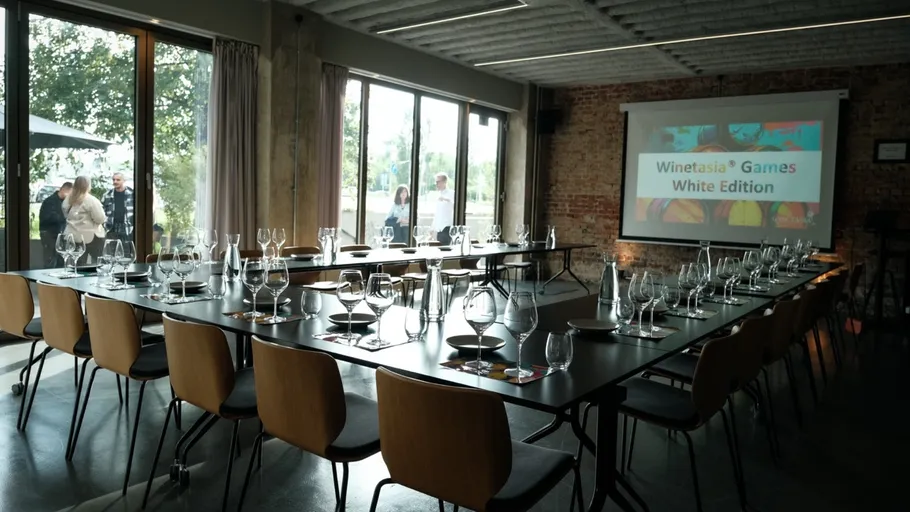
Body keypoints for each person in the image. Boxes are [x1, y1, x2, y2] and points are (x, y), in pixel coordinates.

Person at [63, 176, 107, 263]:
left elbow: (66, 215)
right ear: (88, 186)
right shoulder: (91, 200)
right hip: (91, 237)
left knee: (78, 264)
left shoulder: (68, 199)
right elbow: (100, 218)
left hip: (72, 236)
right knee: (101, 262)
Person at [38, 182, 72, 267]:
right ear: (64, 190)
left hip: (59, 234)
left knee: (61, 260)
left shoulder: (63, 202)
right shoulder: (50, 201)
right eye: (70, 193)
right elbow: (48, 217)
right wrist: (65, 218)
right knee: (50, 260)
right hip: (49, 234)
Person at [101, 172, 134, 243]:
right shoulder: (107, 195)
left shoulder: (132, 194)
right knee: (110, 252)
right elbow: (102, 212)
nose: (115, 182)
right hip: (111, 228)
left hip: (127, 228)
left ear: (124, 181)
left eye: (118, 180)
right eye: (113, 180)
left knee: (127, 251)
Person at [432, 173, 454, 245]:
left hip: (447, 227)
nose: (436, 184)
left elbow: (456, 206)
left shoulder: (452, 193)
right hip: (439, 229)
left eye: (438, 182)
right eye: (436, 182)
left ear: (444, 182)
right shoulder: (438, 195)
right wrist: (432, 228)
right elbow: (437, 213)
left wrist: (446, 200)